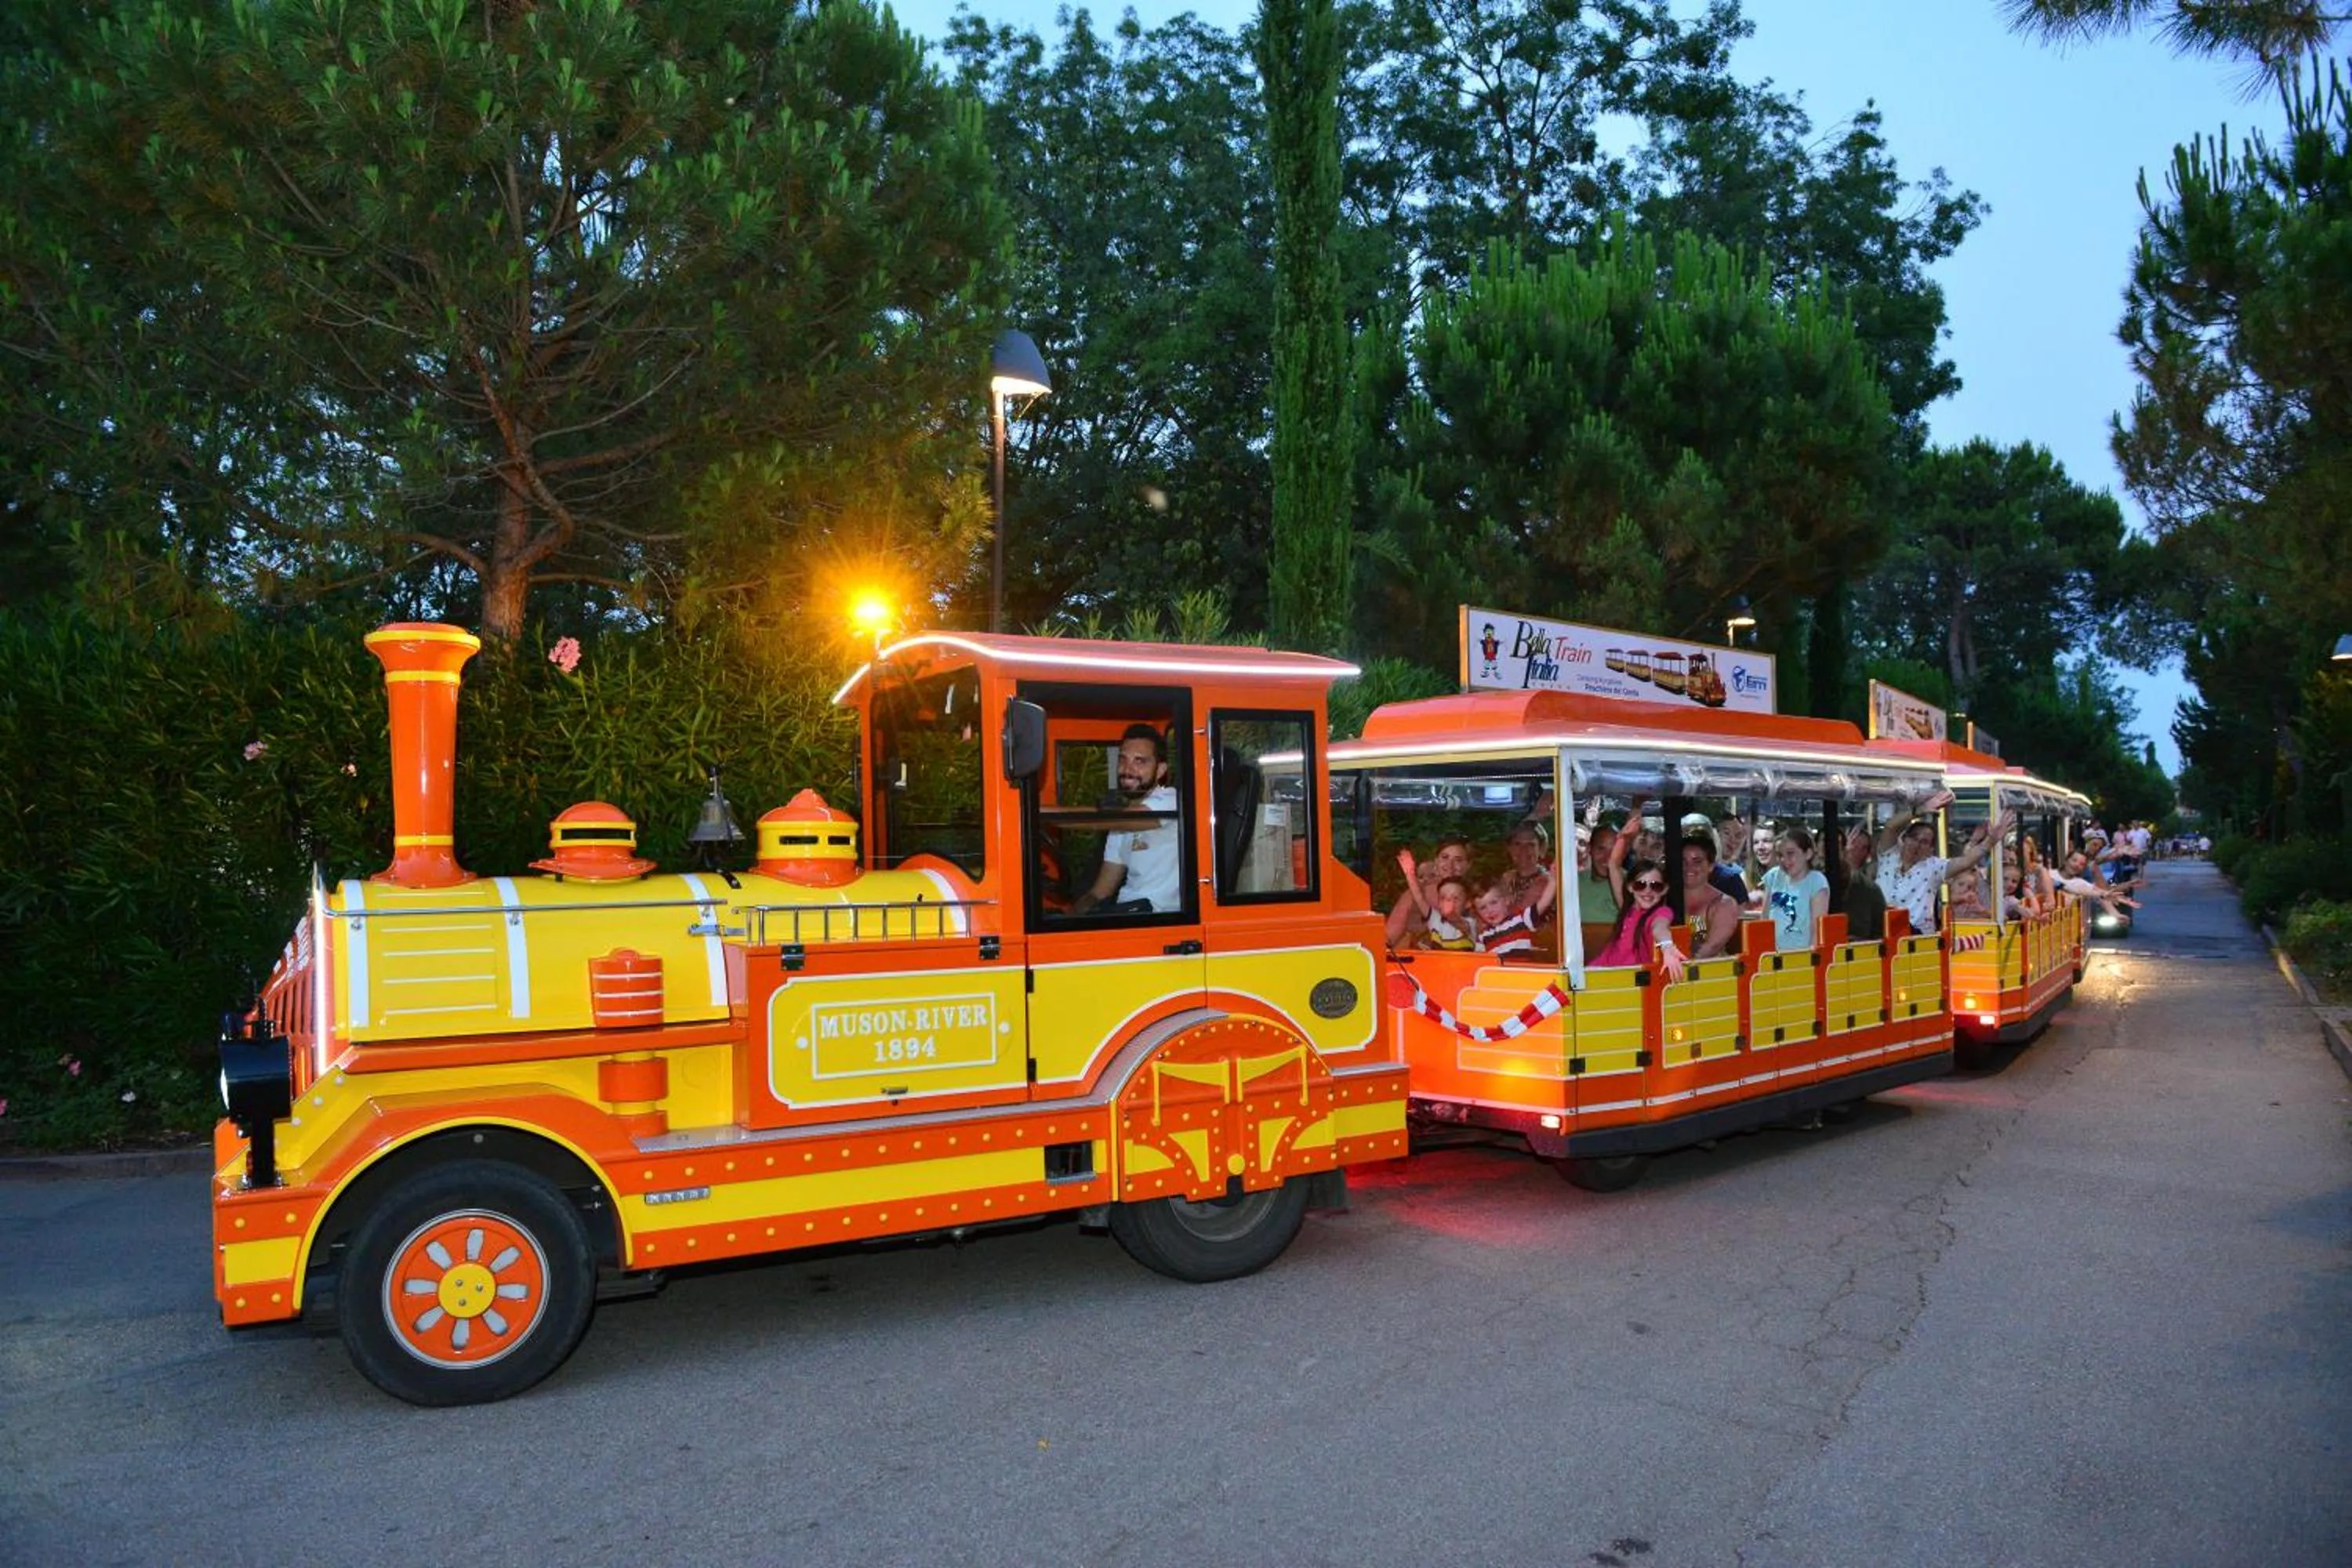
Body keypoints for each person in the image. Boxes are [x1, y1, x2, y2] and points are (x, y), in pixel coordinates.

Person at [1073, 724, 1183, 914]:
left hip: (1158, 918)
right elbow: (1100, 892)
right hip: (1127, 914)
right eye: (1123, 760)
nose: (1127, 769)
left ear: (1160, 770)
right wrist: (1069, 919)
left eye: (1140, 761)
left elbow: (1096, 820)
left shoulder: (1170, 801)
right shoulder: (1122, 822)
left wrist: (1035, 814)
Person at [1871, 790, 2013, 938]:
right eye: (1914, 838)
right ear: (1904, 838)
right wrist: (1920, 810)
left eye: (1924, 842)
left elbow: (1966, 861)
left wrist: (1991, 841)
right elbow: (1890, 827)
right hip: (1879, 933)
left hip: (1916, 939)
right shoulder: (1888, 855)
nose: (1917, 844)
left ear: (1931, 849)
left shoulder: (1933, 867)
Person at [1592, 855, 1687, 981]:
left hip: (1631, 982)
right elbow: (1613, 865)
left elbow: (1660, 927)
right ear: (1630, 887)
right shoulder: (1628, 909)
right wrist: (1624, 839)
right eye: (1640, 885)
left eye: (1655, 886)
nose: (1647, 891)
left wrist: (1667, 947)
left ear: (1664, 890)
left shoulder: (1661, 912)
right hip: (1604, 973)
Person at [1753, 825, 1829, 951]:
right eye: (1780, 855)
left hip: (1802, 957)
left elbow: (1818, 930)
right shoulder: (1773, 875)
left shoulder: (1817, 881)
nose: (1784, 860)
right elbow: (1765, 919)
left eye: (1790, 853)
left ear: (1808, 854)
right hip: (1773, 958)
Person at [1386, 839, 1471, 947]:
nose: (1450, 865)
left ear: (1468, 865)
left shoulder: (1477, 897)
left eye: (1458, 860)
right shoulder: (1413, 895)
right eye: (1445, 858)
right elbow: (1388, 939)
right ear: (1436, 862)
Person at [1678, 828, 1743, 958]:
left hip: (1708, 973)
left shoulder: (1724, 904)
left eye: (1697, 862)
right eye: (1683, 861)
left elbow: (1711, 948)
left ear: (1711, 866)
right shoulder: (1662, 896)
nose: (1689, 867)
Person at [1831, 825, 1887, 942]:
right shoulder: (1818, 881)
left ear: (1868, 853)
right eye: (1853, 845)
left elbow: (1881, 933)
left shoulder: (1870, 888)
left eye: (1863, 848)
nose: (1855, 850)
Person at [1498, 822, 1558, 919]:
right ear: (1509, 849)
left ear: (1541, 849)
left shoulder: (1546, 881)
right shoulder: (1507, 877)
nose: (1523, 850)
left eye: (1531, 844)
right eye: (1517, 844)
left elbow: (1520, 916)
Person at [1475, 879, 1539, 956]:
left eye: (1494, 903)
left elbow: (1542, 905)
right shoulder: (1483, 937)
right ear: (1478, 913)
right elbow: (1478, 961)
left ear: (1507, 900)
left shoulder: (1521, 920)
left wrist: (1553, 881)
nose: (1490, 911)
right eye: (1483, 908)